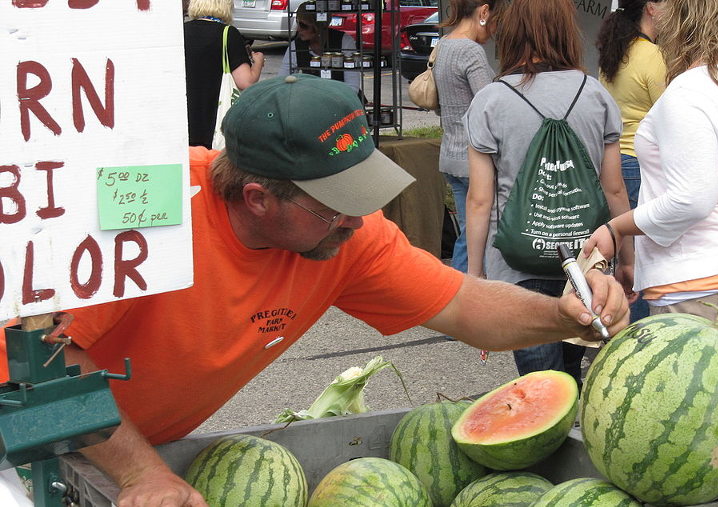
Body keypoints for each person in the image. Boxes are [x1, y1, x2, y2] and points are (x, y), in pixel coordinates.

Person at [1, 75, 628, 506]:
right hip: (19, 442)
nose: (357, 221)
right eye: (335, 206)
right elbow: (41, 370)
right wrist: (140, 471)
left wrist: (562, 312)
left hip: (133, 450)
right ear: (258, 197)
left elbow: (465, 305)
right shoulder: (150, 206)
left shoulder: (346, 240)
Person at [584, 0, 718, 352]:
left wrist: (615, 228)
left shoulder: (692, 92)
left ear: (686, 17)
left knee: (692, 406)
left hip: (703, 285)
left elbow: (692, 199)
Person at [464, 0, 631, 387]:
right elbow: (614, 186)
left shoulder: (490, 101)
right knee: (572, 373)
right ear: (564, 30)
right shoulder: (595, 94)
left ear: (511, 32)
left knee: (539, 384)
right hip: (586, 259)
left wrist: (475, 274)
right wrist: (626, 259)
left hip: (517, 268)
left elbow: (479, 200)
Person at [595, 0, 667, 322]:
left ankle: (619, 329)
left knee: (624, 253)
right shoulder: (652, 56)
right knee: (640, 260)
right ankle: (637, 335)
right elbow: (671, 116)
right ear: (651, 7)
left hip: (612, 161)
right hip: (640, 165)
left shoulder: (614, 50)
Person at [432, 0, 496, 273]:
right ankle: (463, 296)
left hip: (450, 153)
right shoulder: (471, 51)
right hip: (475, 158)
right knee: (478, 236)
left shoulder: (444, 44)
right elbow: (489, 105)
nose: (494, 30)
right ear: (483, 12)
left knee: (467, 233)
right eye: (495, 20)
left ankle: (459, 292)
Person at [184, 0, 265, 148]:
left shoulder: (180, 31)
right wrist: (258, 62)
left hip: (184, 120)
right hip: (214, 120)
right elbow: (245, 82)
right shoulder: (227, 34)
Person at [278, 2, 361, 94]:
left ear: (318, 26)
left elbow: (353, 86)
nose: (298, 29)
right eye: (297, 23)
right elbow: (281, 80)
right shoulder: (296, 46)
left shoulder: (344, 41)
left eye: (303, 25)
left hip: (341, 98)